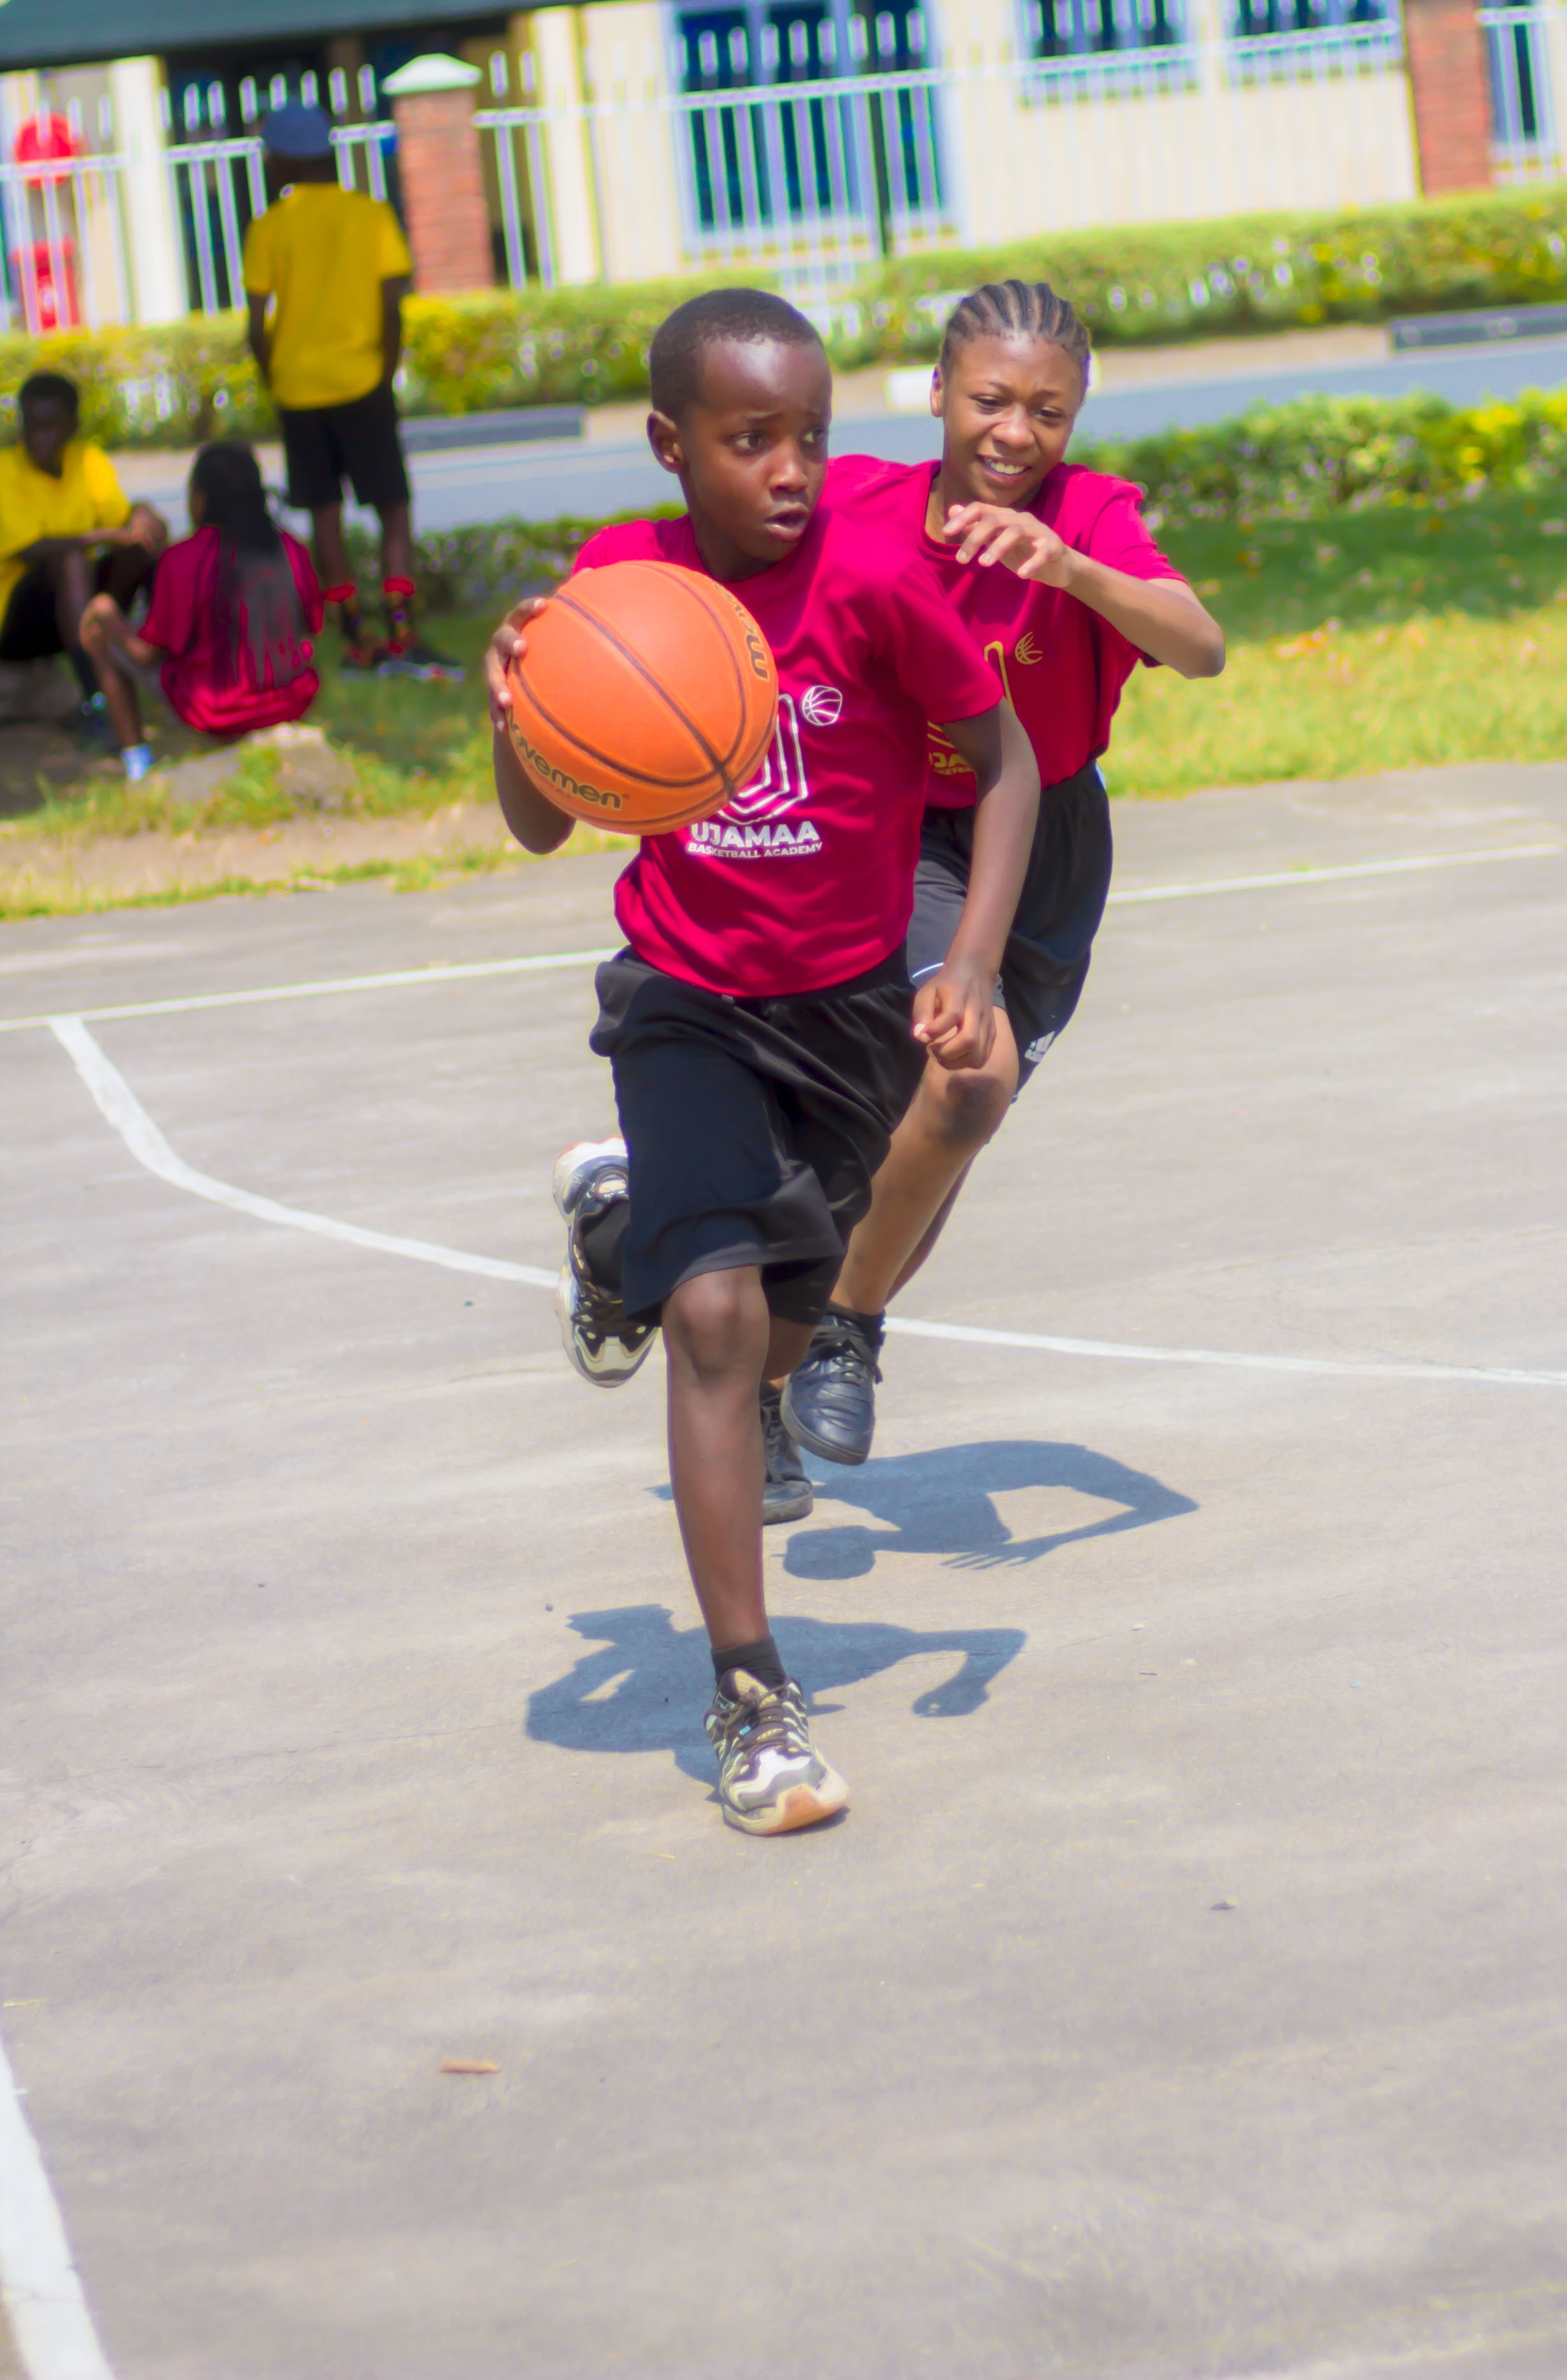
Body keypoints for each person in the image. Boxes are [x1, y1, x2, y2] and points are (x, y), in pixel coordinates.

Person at [486, 287, 1039, 1839]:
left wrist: (969, 963)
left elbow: (1003, 760)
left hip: (848, 1016)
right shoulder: (618, 588)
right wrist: (510, 708)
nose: (789, 468)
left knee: (780, 1334)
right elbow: (539, 825)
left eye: (809, 435)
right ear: (671, 444)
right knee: (717, 1325)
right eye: (749, 440)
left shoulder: (872, 576)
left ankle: (620, 1237)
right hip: (686, 995)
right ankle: (751, 1694)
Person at [781, 277, 1224, 1474]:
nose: (1016, 433)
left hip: (1050, 851)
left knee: (944, 1134)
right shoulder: (858, 505)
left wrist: (1071, 570)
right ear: (937, 391)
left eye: (1048, 411)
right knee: (962, 1081)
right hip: (904, 836)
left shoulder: (1087, 514)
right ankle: (837, 1335)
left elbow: (1200, 645)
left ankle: (772, 1368)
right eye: (989, 400)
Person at [240, 99, 450, 677]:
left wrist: (277, 380)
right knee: (393, 508)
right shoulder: (370, 215)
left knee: (325, 514)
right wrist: (385, 371)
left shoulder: (268, 227)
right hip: (363, 381)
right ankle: (402, 632)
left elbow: (256, 325)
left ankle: (357, 639)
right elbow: (392, 305)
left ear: (285, 160)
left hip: (299, 390)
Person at [79, 441, 323, 765]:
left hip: (216, 712)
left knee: (103, 633)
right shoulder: (291, 548)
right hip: (292, 702)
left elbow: (146, 656)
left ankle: (137, 762)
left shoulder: (183, 558)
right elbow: (313, 627)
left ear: (200, 498)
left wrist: (108, 614)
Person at [0, 369, 167, 767]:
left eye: (50, 427)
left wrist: (142, 516)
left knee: (143, 547)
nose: (38, 437)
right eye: (31, 426)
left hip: (74, 607)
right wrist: (106, 535)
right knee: (70, 560)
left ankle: (173, 659)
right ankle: (98, 699)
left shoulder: (87, 459)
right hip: (17, 622)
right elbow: (33, 549)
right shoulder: (6, 471)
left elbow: (122, 519)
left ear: (72, 427)